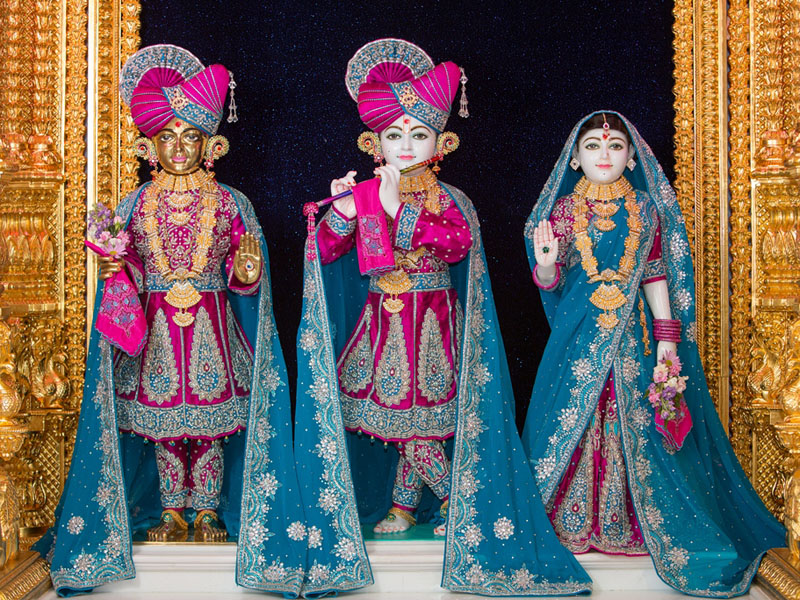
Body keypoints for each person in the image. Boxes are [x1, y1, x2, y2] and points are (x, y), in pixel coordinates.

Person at [294, 38, 591, 597]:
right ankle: (415, 504)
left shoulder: (449, 197)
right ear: (374, 142)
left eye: (418, 134)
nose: (406, 146)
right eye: (394, 135)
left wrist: (394, 209)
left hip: (431, 323)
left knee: (419, 416)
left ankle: (450, 499)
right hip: (382, 320)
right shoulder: (363, 191)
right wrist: (346, 210)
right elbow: (327, 249)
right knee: (396, 415)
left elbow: (457, 245)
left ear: (441, 142)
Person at [36, 44, 305, 596]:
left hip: (211, 327)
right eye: (167, 137)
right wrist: (117, 268)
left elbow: (246, 272)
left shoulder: (231, 203)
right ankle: (171, 509)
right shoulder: (134, 204)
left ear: (212, 145)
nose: (179, 148)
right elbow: (130, 269)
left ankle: (206, 509)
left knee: (207, 424)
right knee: (163, 427)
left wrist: (247, 270)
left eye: (190, 137)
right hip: (157, 331)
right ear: (148, 146)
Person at [522, 110, 784, 596]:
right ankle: (569, 520)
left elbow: (656, 273)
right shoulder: (561, 212)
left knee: (636, 419)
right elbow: (551, 284)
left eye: (615, 146)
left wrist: (666, 338)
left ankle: (630, 522)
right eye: (593, 147)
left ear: (631, 156)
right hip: (578, 335)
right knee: (571, 417)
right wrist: (546, 267)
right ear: (574, 159)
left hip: (634, 338)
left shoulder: (644, 207)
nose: (604, 155)